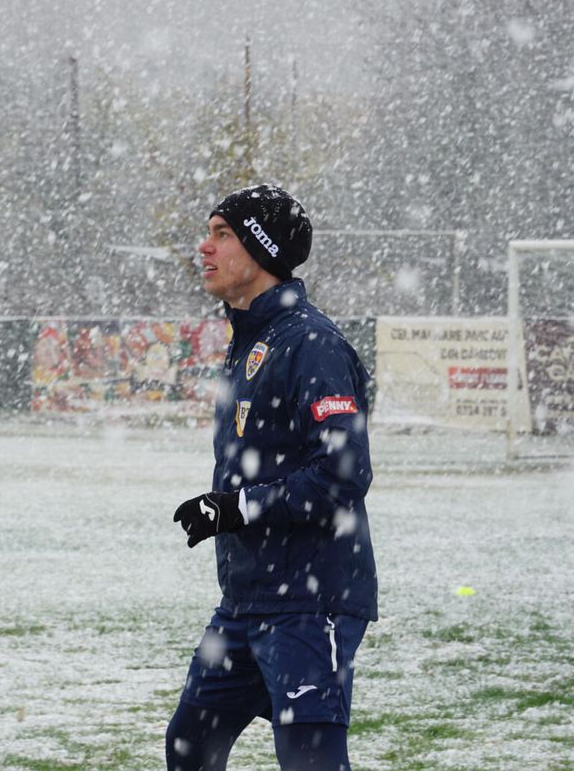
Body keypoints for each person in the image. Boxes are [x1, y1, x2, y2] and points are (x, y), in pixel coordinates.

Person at [168, 185, 378, 771]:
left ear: (260, 250)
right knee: (190, 746)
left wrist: (238, 508)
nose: (204, 247)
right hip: (245, 602)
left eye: (222, 234)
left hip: (309, 604)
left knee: (311, 763)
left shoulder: (312, 344)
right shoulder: (250, 340)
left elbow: (344, 475)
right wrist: (229, 508)